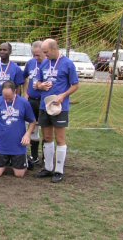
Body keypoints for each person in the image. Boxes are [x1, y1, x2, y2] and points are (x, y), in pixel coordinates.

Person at [35, 38, 79, 183]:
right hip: (44, 105)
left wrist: (63, 96)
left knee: (60, 138)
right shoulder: (45, 63)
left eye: (46, 52)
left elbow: (75, 85)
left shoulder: (68, 64)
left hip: (60, 107)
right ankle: (48, 168)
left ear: (54, 49)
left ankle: (59, 170)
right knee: (47, 137)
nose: (44, 55)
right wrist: (41, 86)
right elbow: (37, 83)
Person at [0, 42, 24, 162]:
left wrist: (17, 101)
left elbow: (18, 87)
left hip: (11, 100)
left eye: (5, 50)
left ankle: (10, 152)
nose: (2, 52)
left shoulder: (15, 68)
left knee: (10, 126)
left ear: (10, 52)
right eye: (0, 49)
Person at [0, 81, 36, 178]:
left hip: (18, 145)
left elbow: (32, 121)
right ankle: (7, 159)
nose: (7, 99)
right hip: (1, 145)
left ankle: (24, 158)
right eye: (4, 96)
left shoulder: (24, 103)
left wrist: (27, 134)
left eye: (9, 96)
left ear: (15, 91)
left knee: (19, 175)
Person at [23, 41, 46, 165]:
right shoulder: (30, 63)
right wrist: (26, 93)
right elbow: (25, 78)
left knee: (46, 129)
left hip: (44, 101)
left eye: (38, 55)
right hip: (31, 101)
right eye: (34, 55)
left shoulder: (49, 65)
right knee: (32, 128)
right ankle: (34, 156)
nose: (36, 57)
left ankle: (46, 156)